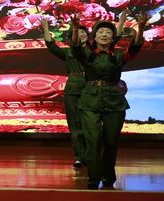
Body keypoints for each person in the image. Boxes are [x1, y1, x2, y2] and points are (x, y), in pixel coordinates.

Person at [70, 11, 146, 189]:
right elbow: (76, 47)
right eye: (101, 32)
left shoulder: (118, 57)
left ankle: (108, 176)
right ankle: (93, 177)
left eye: (108, 32)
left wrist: (141, 28)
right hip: (90, 101)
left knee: (110, 141)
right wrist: (75, 28)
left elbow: (134, 48)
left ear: (113, 38)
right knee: (93, 139)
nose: (104, 34)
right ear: (95, 37)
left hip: (114, 102)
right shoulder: (87, 55)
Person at [41, 18, 89, 168]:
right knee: (75, 124)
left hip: (91, 88)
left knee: (91, 124)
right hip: (73, 89)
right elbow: (51, 45)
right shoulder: (68, 52)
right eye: (77, 33)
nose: (81, 35)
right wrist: (45, 27)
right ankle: (79, 157)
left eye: (83, 32)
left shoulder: (95, 51)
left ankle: (91, 155)